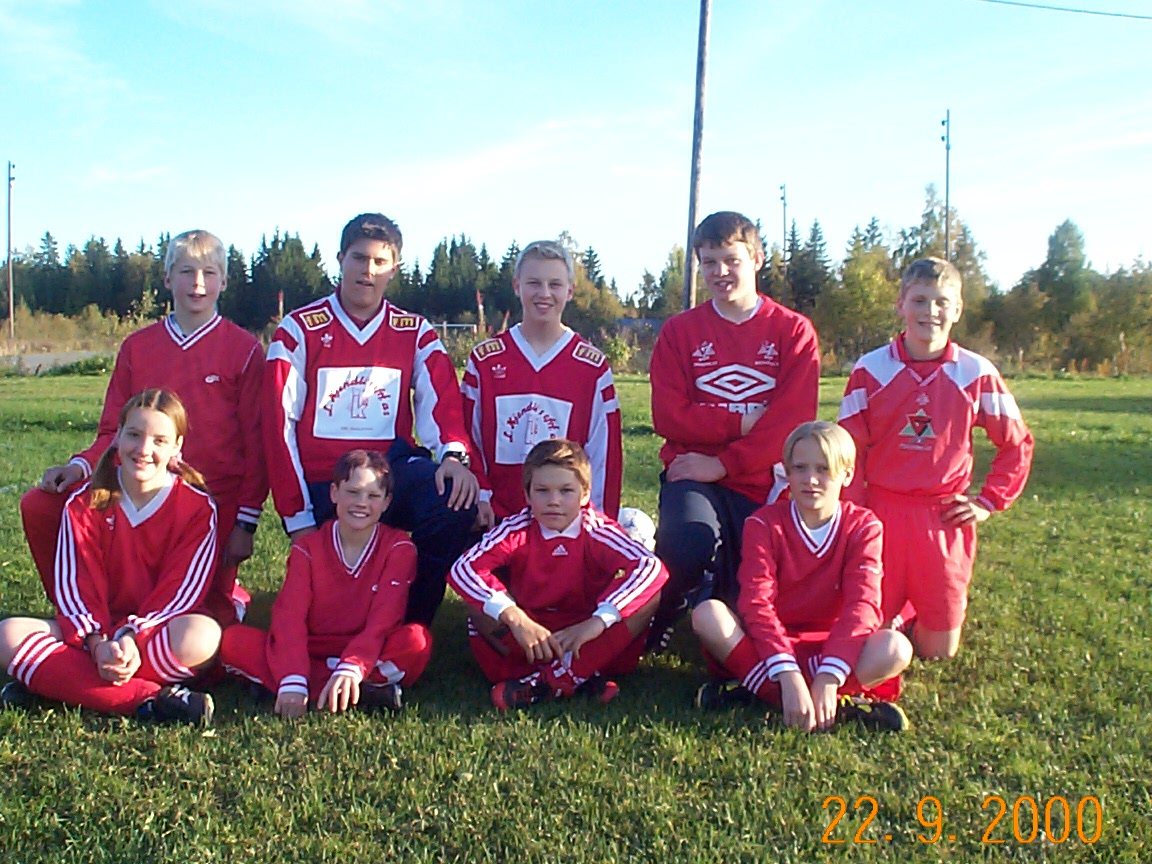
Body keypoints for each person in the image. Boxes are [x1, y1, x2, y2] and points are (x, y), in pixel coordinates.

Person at [20, 230, 266, 625]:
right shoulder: (138, 346)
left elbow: (257, 443)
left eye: (208, 273)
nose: (198, 283)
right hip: (137, 483)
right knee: (40, 505)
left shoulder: (245, 350)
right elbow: (112, 431)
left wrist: (245, 522)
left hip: (211, 500)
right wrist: (80, 467)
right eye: (186, 271)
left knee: (208, 625)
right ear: (167, 278)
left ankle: (209, 601)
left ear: (224, 281)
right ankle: (78, 613)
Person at [263, 213, 479, 626]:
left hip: (390, 474)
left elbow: (442, 402)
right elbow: (278, 425)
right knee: (329, 617)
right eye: (359, 258)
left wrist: (453, 456)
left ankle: (410, 622)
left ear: (394, 269)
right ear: (340, 260)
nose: (368, 271)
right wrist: (297, 517)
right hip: (324, 481)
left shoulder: (414, 331)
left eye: (380, 262)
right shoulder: (299, 330)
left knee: (452, 500)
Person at [838, 257, 1034, 660]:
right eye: (920, 300)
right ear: (901, 305)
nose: (930, 311)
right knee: (865, 636)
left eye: (942, 302)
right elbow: (847, 450)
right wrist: (853, 512)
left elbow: (1017, 443)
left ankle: (914, 613)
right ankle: (896, 613)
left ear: (957, 309)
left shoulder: (976, 372)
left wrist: (988, 501)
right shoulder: (870, 369)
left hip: (943, 517)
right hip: (883, 512)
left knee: (938, 652)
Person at [648, 211, 820, 647]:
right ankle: (664, 609)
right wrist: (740, 422)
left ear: (757, 259)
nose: (720, 272)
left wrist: (724, 463)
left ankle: (722, 602)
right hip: (691, 471)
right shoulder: (679, 332)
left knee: (756, 583)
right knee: (688, 543)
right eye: (709, 262)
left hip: (764, 477)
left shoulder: (793, 331)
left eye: (731, 260)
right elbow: (669, 416)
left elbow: (791, 423)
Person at [0, 390, 220, 724]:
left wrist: (132, 637)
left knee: (201, 637)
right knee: (7, 635)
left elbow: (180, 593)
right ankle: (153, 700)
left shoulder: (198, 507)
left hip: (156, 631)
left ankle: (58, 681)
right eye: (134, 435)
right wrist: (97, 643)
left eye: (159, 440)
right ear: (117, 436)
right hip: (94, 634)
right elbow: (76, 585)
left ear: (177, 447)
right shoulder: (84, 502)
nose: (143, 449)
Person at [692, 421, 912, 733]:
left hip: (833, 645)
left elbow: (862, 606)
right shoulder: (763, 524)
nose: (811, 479)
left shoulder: (864, 526)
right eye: (800, 468)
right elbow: (756, 603)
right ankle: (830, 703)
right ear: (786, 471)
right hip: (771, 643)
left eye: (824, 469)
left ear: (847, 474)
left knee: (895, 648)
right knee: (707, 614)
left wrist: (829, 676)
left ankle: (760, 692)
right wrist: (787, 672)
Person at [448, 439, 668, 710]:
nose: (554, 501)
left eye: (566, 491)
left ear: (585, 495)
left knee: (649, 597)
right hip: (532, 635)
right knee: (477, 602)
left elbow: (650, 567)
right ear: (527, 495)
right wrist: (515, 618)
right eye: (542, 491)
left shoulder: (597, 530)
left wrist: (598, 622)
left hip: (585, 637)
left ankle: (549, 681)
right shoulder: (517, 528)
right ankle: (579, 677)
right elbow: (463, 569)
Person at [219, 450, 431, 716]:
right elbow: (289, 616)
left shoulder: (398, 547)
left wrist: (353, 664)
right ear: (334, 493)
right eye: (352, 492)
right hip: (310, 649)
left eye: (373, 496)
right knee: (232, 642)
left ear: (387, 502)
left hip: (369, 649)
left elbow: (385, 619)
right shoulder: (308, 548)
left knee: (416, 641)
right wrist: (293, 675)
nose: (361, 503)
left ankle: (321, 686)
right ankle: (361, 691)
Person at [461, 239, 622, 528]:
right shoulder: (485, 360)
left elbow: (604, 456)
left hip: (566, 524)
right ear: (517, 286)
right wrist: (481, 496)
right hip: (494, 519)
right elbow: (468, 436)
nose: (544, 293)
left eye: (555, 284)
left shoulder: (591, 367)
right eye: (534, 283)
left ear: (570, 291)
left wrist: (599, 523)